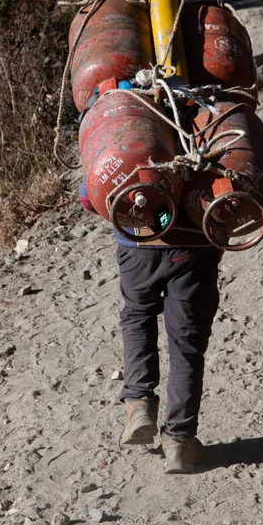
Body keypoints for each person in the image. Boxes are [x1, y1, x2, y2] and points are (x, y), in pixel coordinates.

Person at [80, 180, 221, 473]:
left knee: (137, 315)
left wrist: (131, 222)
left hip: (137, 248)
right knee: (187, 344)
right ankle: (179, 442)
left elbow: (88, 197)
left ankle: (139, 404)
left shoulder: (133, 135)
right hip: (194, 248)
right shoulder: (207, 136)